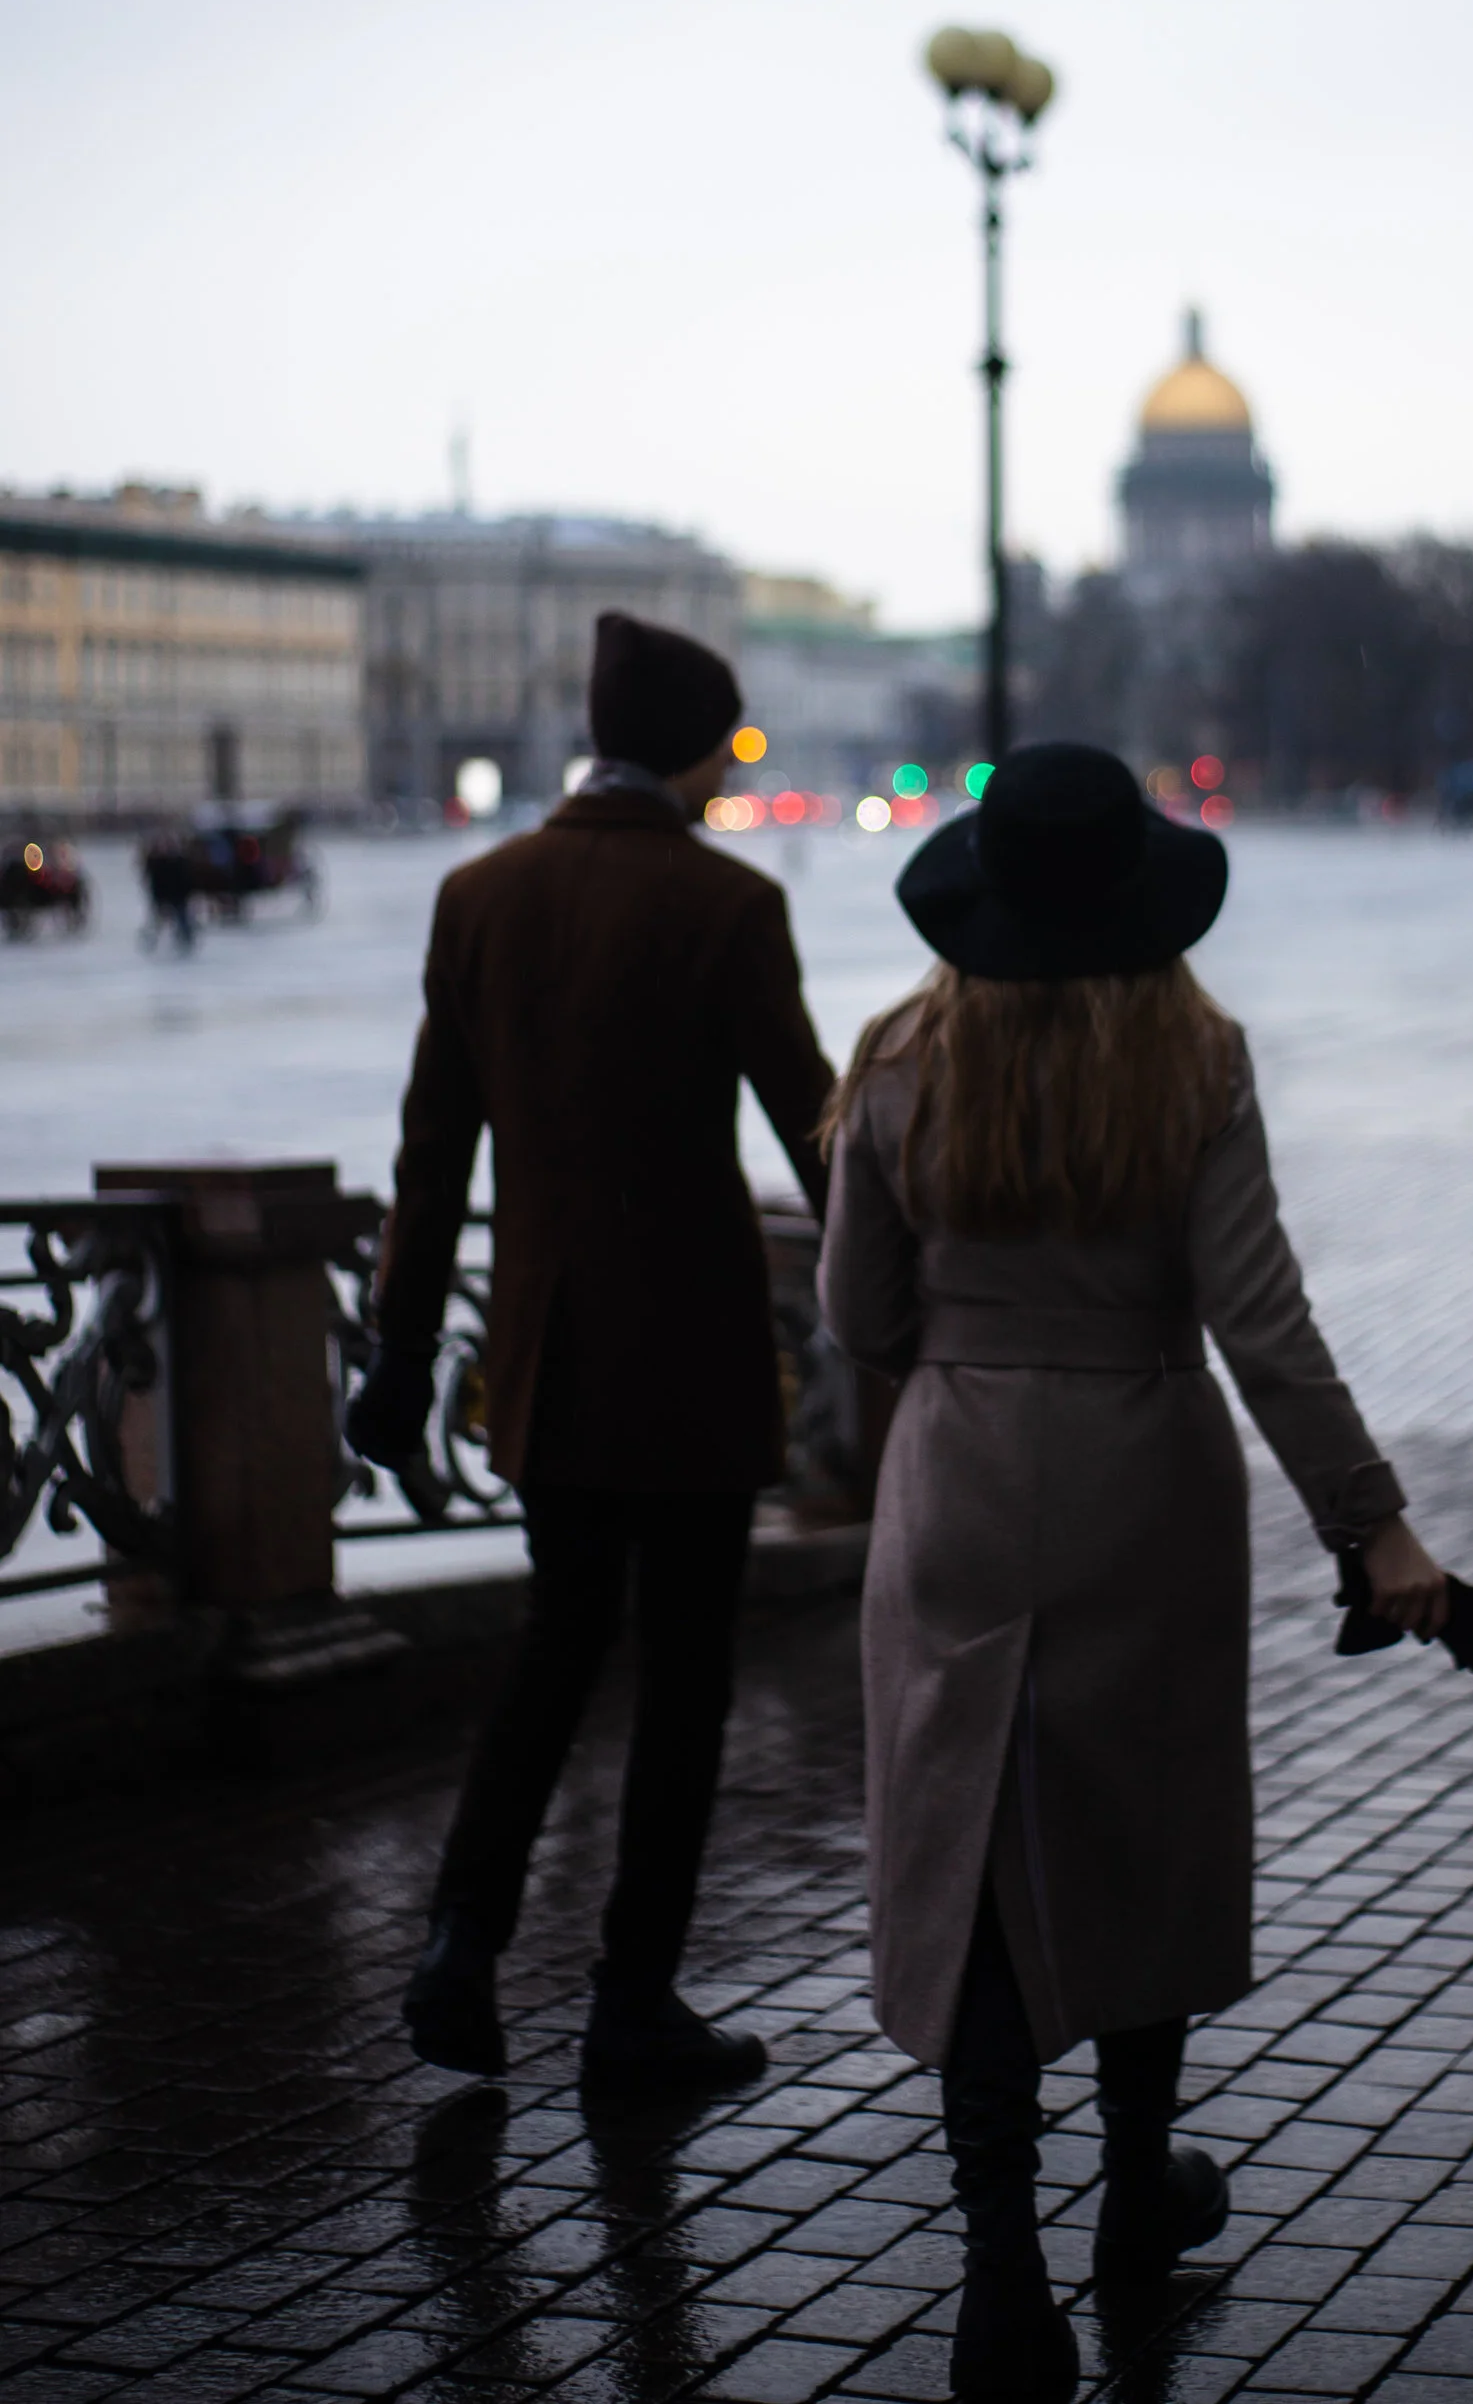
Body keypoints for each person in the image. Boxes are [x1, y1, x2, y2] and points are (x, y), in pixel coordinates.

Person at [818, 743, 1453, 2402]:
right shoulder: (1194, 1061)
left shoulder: (895, 1062)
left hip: (957, 1485)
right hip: (1144, 1486)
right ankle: (1132, 2193)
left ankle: (1000, 2274)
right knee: (1139, 1834)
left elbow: (858, 1317)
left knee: (967, 1861)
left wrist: (969, 1344)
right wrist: (1372, 1523)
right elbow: (1264, 1321)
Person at [346, 612, 835, 2095]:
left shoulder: (480, 894)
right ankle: (633, 2003)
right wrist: (904, 1290)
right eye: (726, 748)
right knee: (685, 1678)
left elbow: (432, 1155)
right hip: (693, 1357)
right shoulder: (726, 904)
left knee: (554, 1650)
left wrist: (400, 1347)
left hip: (548, 1355)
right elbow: (815, 1133)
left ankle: (459, 1946)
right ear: (695, 750)